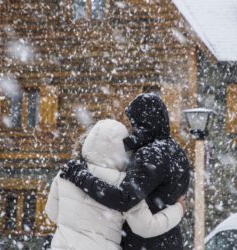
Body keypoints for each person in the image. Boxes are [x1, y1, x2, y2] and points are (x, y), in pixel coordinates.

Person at [61, 93, 190, 250]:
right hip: (170, 238)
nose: (130, 128)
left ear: (142, 123)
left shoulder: (150, 153)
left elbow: (124, 199)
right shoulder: (176, 151)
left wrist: (80, 176)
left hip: (145, 243)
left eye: (133, 123)